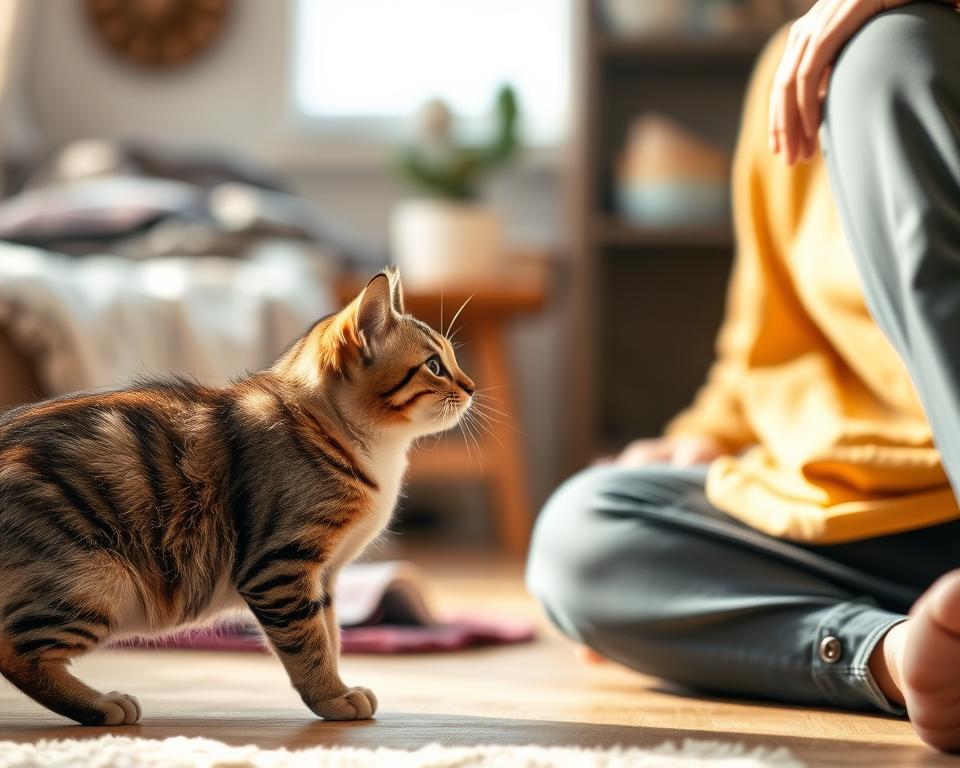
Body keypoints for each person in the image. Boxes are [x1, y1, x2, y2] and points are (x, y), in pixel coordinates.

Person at [527, 0, 960, 752]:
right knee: (580, 535)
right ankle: (895, 656)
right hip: (879, 530)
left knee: (888, 53)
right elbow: (768, 340)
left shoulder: (896, 56)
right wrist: (700, 438)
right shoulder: (788, 71)